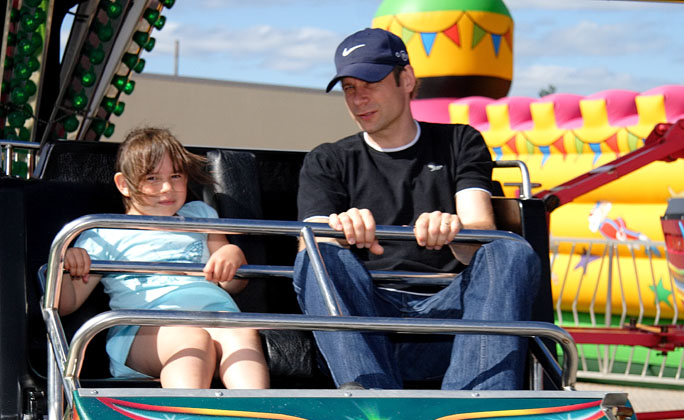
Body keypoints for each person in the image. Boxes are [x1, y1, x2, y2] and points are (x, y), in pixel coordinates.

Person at [293, 28, 539, 390]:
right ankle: (372, 399)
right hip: (366, 325)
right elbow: (308, 250)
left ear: (406, 79)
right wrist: (339, 234)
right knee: (318, 252)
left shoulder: (459, 141)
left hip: (453, 322)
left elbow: (480, 233)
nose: (359, 98)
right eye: (349, 88)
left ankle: (476, 406)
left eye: (371, 83)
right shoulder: (327, 159)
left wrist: (455, 233)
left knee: (509, 250)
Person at [59, 127, 270, 389]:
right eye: (152, 178)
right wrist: (66, 265)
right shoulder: (104, 233)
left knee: (242, 333)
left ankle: (254, 412)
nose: (167, 188)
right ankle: (185, 414)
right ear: (124, 184)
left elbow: (233, 284)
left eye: (176, 176)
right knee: (191, 338)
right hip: (145, 330)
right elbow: (66, 304)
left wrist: (233, 256)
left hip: (216, 316)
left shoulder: (200, 216)